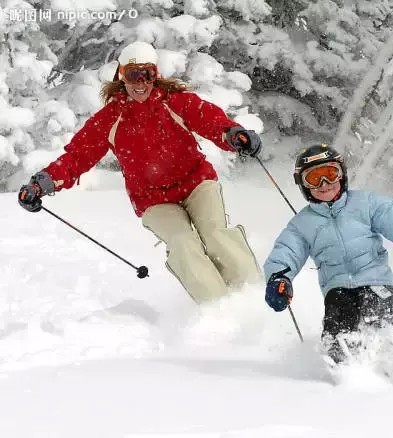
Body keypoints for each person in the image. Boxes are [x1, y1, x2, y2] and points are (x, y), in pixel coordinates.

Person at [17, 41, 262, 304]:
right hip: (153, 199)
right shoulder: (110, 119)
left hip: (196, 183)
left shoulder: (176, 103)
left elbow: (212, 121)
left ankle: (254, 295)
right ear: (121, 76)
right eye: (133, 74)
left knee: (215, 234)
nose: (141, 82)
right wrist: (42, 183)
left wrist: (234, 134)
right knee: (182, 242)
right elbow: (78, 156)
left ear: (156, 76)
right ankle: (220, 307)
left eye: (147, 74)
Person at [262, 144, 393, 363]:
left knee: (382, 322)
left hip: (376, 283)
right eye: (314, 178)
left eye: (330, 174)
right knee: (338, 336)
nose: (324, 184)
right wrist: (279, 279)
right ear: (303, 185)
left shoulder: (367, 203)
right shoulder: (302, 224)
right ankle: (347, 377)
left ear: (342, 176)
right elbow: (286, 252)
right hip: (337, 289)